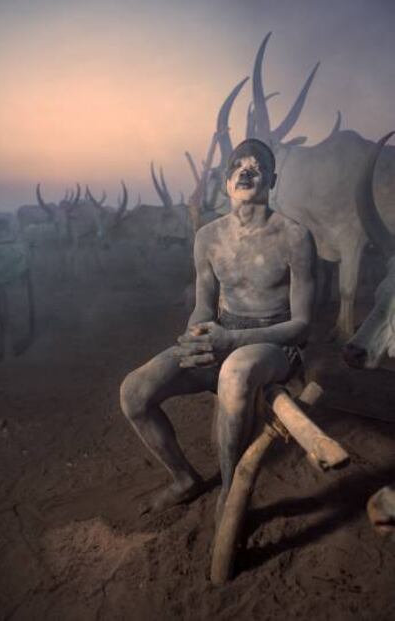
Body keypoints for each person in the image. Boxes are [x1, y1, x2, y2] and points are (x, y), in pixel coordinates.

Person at [120, 139, 316, 523]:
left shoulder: (295, 236)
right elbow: (204, 305)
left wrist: (232, 341)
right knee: (134, 391)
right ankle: (183, 479)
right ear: (226, 181)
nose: (245, 171)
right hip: (222, 334)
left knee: (236, 370)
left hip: (274, 344)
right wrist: (196, 333)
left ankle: (231, 491)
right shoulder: (207, 237)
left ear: (272, 179)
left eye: (256, 166)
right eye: (237, 167)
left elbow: (303, 326)